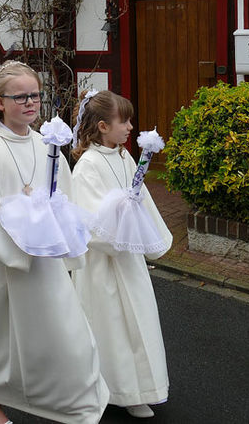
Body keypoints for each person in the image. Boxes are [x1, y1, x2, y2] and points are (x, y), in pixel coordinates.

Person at [0, 61, 109, 424]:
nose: (30, 103)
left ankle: (70, 400)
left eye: (36, 95)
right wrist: (27, 227)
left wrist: (57, 232)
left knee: (64, 335)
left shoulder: (46, 145)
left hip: (44, 265)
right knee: (0, 340)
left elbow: (65, 199)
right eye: (20, 96)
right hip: (3, 266)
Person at [71, 90, 172, 419]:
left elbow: (139, 198)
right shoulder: (87, 166)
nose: (131, 127)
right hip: (103, 264)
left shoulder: (125, 156)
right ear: (102, 126)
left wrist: (141, 225)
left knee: (138, 322)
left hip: (128, 260)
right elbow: (87, 220)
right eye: (124, 120)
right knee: (110, 326)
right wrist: (119, 221)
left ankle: (137, 388)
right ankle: (107, 390)